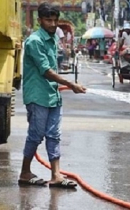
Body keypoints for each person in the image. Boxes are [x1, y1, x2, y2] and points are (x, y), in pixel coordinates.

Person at [19, 2, 86, 188]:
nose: (53, 24)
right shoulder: (34, 41)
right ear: (40, 20)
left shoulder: (52, 39)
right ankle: (25, 172)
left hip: (52, 95)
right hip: (37, 95)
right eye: (48, 20)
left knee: (54, 135)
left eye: (55, 20)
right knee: (36, 135)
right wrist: (70, 84)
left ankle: (56, 175)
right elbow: (46, 71)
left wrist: (63, 85)